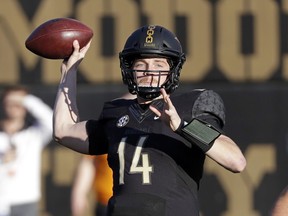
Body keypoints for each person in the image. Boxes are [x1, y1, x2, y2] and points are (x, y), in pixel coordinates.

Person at [53, 25, 247, 216]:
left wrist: (182, 126)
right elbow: (62, 130)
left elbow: (236, 161)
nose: (149, 71)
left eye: (158, 64)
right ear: (130, 70)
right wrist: (68, 72)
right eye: (141, 65)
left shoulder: (190, 106)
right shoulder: (116, 113)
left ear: (172, 71)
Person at [0, 85, 53, 216]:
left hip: (26, 200)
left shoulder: (33, 135)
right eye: (10, 102)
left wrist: (26, 100)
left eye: (18, 103)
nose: (14, 106)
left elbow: (52, 122)